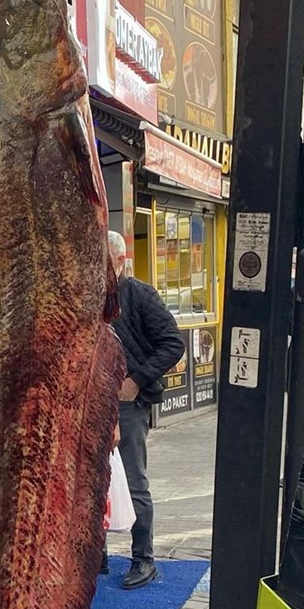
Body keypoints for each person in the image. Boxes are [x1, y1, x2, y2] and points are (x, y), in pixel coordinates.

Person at [107, 231, 185, 589]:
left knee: (133, 480)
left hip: (128, 403)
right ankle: (95, 555)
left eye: (102, 260)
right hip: (94, 403)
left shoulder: (139, 294)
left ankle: (143, 558)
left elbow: (172, 344)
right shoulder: (88, 296)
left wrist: (137, 379)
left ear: (119, 261)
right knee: (91, 482)